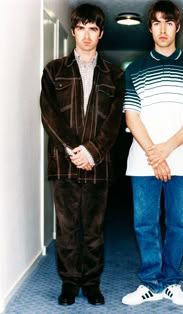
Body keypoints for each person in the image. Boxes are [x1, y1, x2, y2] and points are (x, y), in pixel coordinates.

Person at [122, 0, 183, 307]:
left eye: (169, 23)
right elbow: (131, 117)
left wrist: (166, 150)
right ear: (150, 28)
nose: (163, 29)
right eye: (157, 23)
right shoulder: (134, 70)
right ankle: (150, 283)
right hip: (143, 161)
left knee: (177, 223)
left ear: (178, 26)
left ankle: (171, 281)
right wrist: (154, 154)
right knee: (144, 223)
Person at [40, 3, 124, 306]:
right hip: (63, 164)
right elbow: (50, 115)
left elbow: (115, 122)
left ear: (100, 34)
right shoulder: (53, 71)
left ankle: (91, 283)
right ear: (74, 30)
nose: (86, 35)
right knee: (66, 228)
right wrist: (73, 149)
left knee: (93, 229)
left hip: (98, 166)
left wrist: (92, 151)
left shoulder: (114, 76)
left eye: (93, 29)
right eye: (81, 28)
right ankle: (69, 283)